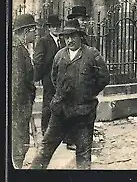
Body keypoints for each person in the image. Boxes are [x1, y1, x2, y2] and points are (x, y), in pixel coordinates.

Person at [30, 18, 110, 170]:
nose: (70, 40)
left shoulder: (92, 54)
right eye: (66, 37)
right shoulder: (60, 55)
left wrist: (88, 93)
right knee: (45, 150)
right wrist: (61, 94)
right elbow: (54, 78)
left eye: (73, 36)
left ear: (80, 36)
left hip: (83, 113)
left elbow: (104, 78)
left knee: (83, 154)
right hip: (60, 111)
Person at [12, 13, 38, 168]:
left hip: (21, 108)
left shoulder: (20, 48)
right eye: (33, 30)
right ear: (26, 31)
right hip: (17, 110)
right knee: (18, 147)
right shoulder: (16, 50)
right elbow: (16, 84)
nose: (35, 33)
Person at [33, 14, 63, 136]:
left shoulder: (62, 41)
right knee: (48, 104)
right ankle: (45, 130)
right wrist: (38, 76)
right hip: (48, 78)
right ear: (49, 28)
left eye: (58, 26)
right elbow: (38, 60)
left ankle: (58, 130)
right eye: (53, 26)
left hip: (61, 78)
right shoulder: (43, 41)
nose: (56, 29)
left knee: (60, 104)